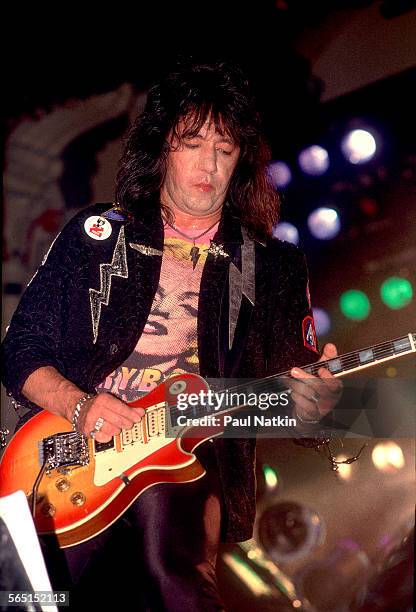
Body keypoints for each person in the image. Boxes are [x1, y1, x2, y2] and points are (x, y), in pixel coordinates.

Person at [1, 60, 342, 611]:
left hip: (185, 461)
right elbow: (21, 348)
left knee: (172, 576)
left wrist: (315, 405)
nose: (208, 164)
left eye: (225, 149)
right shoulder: (98, 236)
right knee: (31, 597)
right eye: (193, 143)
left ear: (242, 162)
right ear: (163, 148)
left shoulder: (272, 265)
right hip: (69, 462)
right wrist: (80, 403)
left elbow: (286, 401)